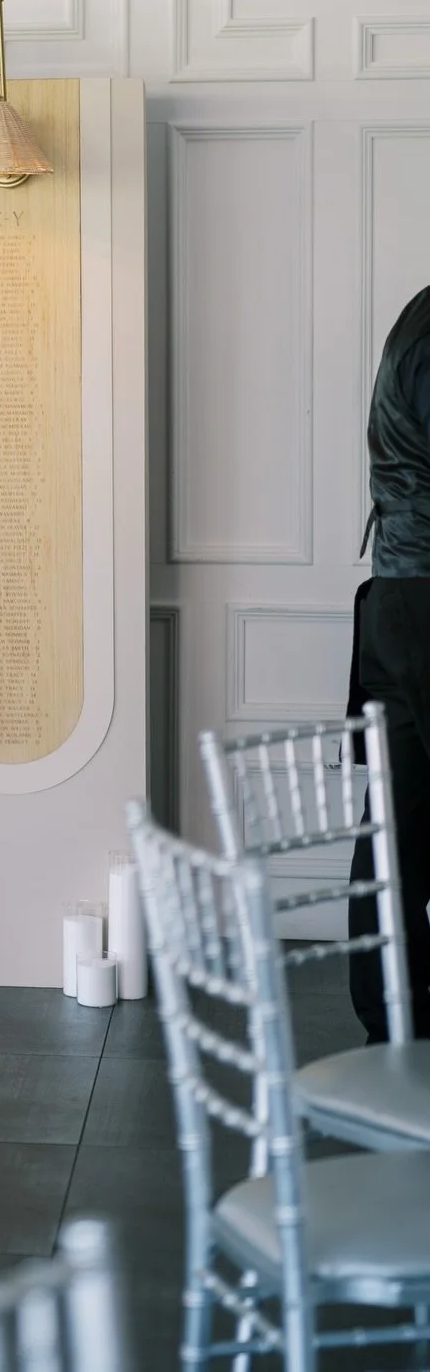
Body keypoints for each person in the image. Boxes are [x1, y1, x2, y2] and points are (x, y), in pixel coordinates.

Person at [352, 287, 430, 1041]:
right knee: (398, 825)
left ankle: (392, 1017)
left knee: (397, 823)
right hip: (423, 597)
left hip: (401, 596)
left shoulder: (421, 315)